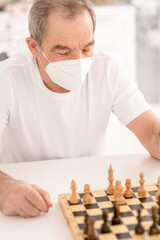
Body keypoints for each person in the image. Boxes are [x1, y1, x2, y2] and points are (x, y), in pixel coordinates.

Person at [0, 0, 159, 218]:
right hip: (28, 200)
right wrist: (4, 188)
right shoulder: (7, 79)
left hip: (90, 196)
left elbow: (151, 132)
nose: (78, 61)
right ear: (33, 46)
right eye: (63, 51)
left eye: (86, 48)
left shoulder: (108, 70)